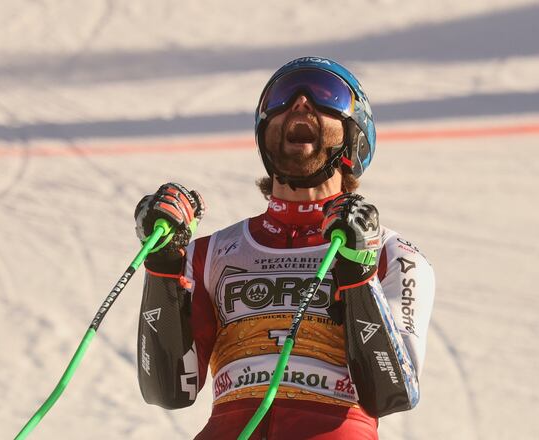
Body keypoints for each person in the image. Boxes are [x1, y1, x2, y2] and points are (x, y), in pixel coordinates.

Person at [134, 57, 435, 439]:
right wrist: (163, 265)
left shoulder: (395, 255)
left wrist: (358, 275)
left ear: (356, 134)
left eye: (328, 96)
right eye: (281, 98)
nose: (301, 103)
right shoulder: (208, 252)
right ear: (263, 133)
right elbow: (168, 390)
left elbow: (393, 393)